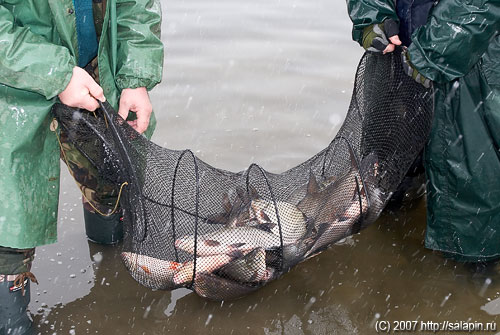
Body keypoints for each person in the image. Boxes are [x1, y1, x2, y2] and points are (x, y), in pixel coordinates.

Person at [0, 0, 164, 333]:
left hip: (96, 74)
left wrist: (135, 78)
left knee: (113, 189)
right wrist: (57, 73)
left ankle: (114, 278)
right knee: (9, 217)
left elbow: (137, 7)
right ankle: (11, 315)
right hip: (12, 94)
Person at [347, 1, 500, 262]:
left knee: (470, 221)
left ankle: (468, 280)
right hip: (395, 60)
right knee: (387, 197)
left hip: (466, 61)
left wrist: (432, 50)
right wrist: (372, 15)